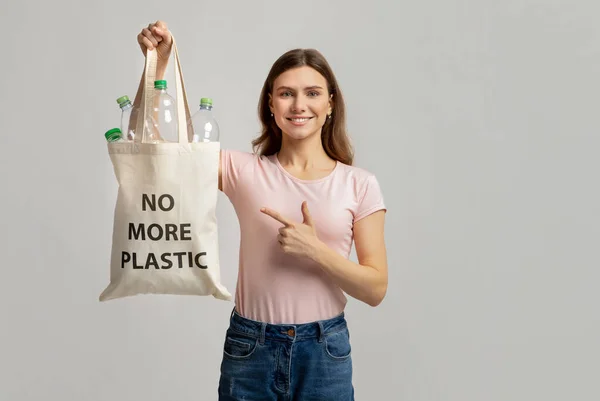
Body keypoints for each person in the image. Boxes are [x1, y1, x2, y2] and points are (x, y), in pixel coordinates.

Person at [135, 20, 388, 401]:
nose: (299, 105)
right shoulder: (243, 170)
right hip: (251, 347)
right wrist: (158, 66)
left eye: (312, 93)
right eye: (286, 93)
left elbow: (375, 288)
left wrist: (315, 250)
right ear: (270, 104)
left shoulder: (359, 184)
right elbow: (154, 153)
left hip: (325, 352)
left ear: (330, 103)